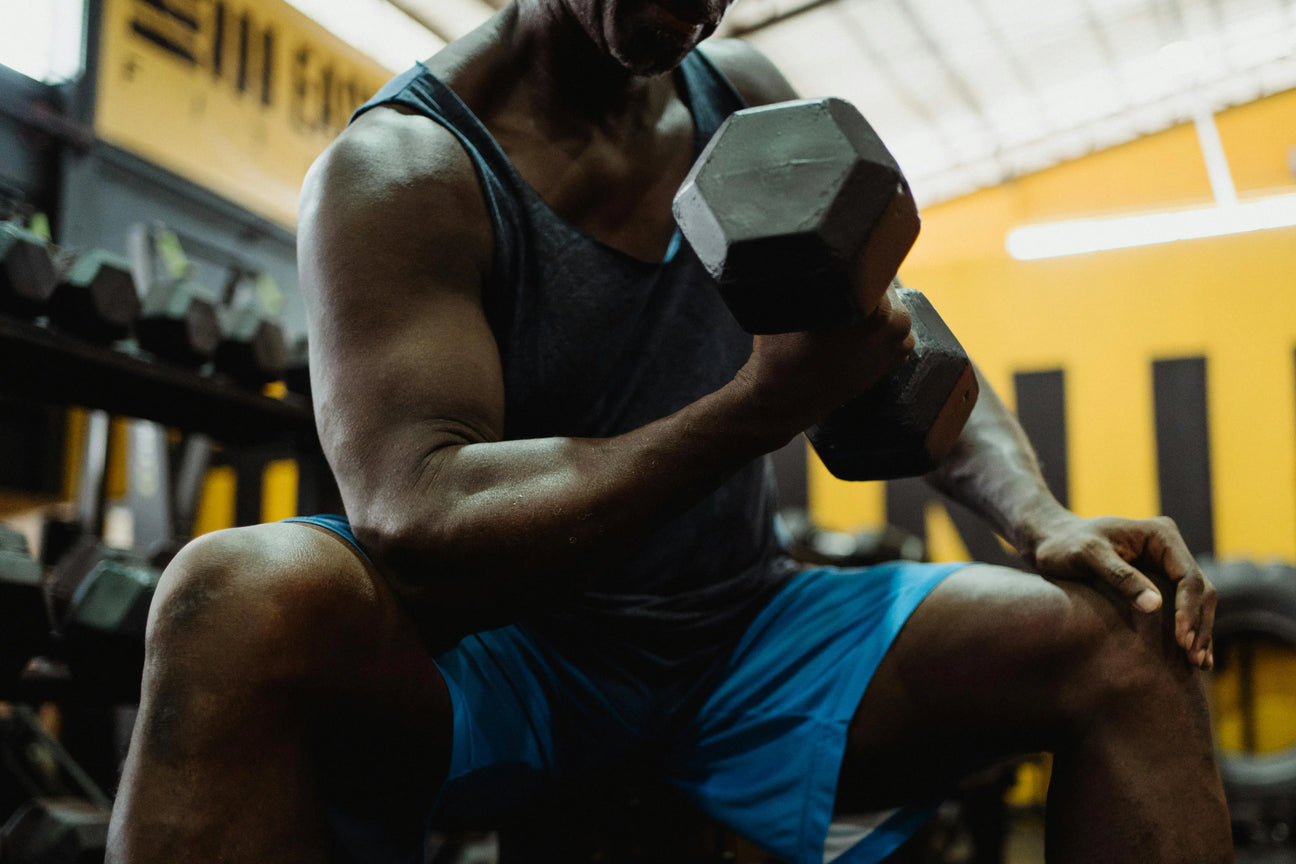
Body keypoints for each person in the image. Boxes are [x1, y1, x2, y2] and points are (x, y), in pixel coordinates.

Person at [105, 0, 1233, 862]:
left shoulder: (741, 93)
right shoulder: (405, 170)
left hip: (741, 634)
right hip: (511, 659)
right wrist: (753, 412)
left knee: (1127, 631)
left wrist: (1040, 521)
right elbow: (417, 515)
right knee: (231, 596)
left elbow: (890, 335)